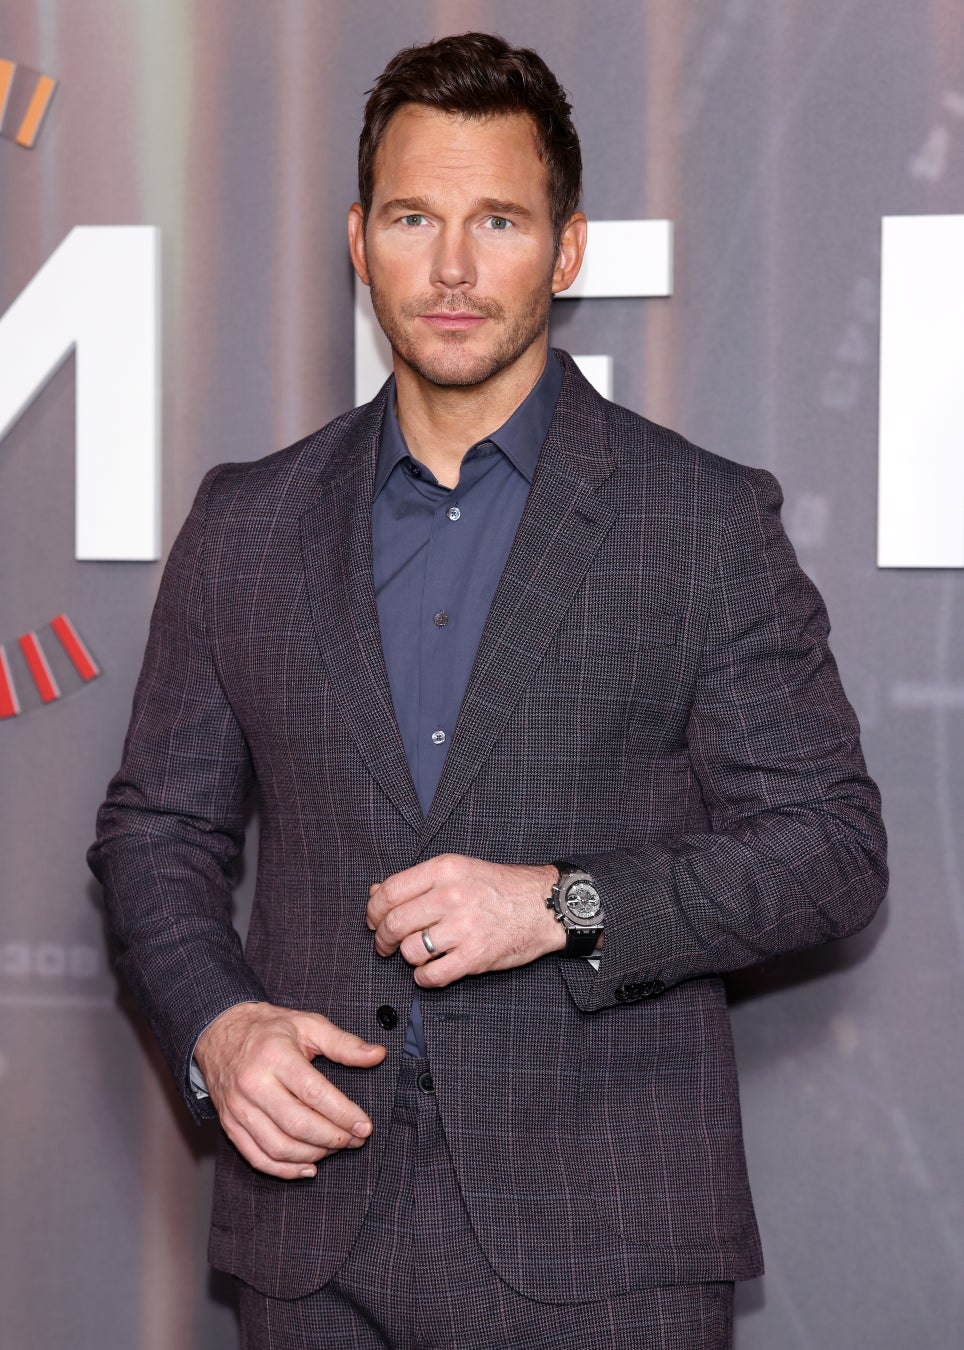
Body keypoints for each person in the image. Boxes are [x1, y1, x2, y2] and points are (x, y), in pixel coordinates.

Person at [89, 31, 887, 1350]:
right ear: (359, 241)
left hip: (610, 1255)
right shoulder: (246, 523)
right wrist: (219, 1025)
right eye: (415, 218)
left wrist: (561, 905)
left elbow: (832, 850)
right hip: (313, 1246)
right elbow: (155, 833)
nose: (453, 268)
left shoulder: (699, 521)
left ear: (566, 250)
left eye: (498, 221)